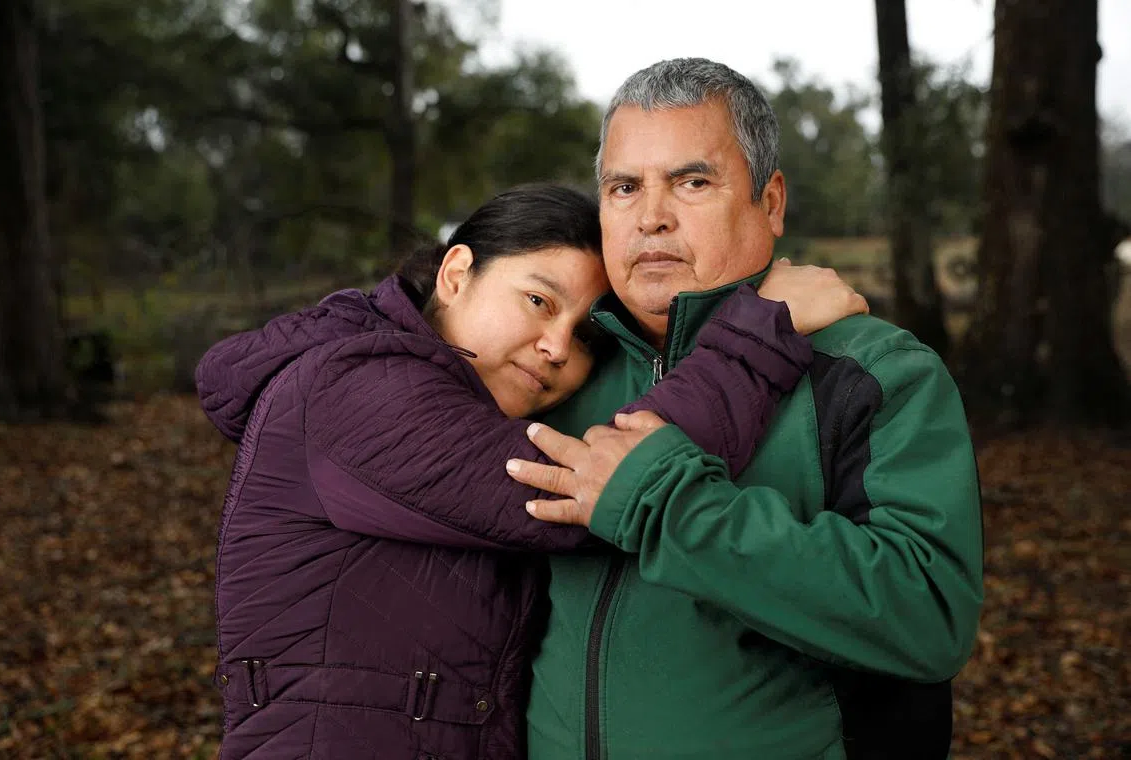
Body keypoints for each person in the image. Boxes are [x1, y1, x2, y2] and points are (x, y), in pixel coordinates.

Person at [195, 183, 866, 760]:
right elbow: (596, 487)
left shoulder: (454, 403)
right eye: (540, 302)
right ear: (455, 274)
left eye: (583, 338)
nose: (555, 349)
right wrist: (759, 336)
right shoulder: (353, 387)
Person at [505, 59, 984, 760]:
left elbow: (929, 612)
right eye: (624, 187)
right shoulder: (552, 364)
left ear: (771, 201)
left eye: (693, 182)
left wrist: (671, 506)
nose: (652, 216)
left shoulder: (872, 372)